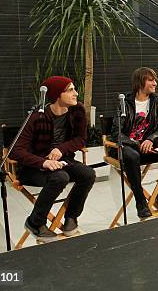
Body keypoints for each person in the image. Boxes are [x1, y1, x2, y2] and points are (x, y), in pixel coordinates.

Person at [11, 76, 96, 242]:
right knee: (60, 177)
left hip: (63, 160)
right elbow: (16, 150)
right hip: (32, 167)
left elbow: (80, 139)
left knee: (88, 174)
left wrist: (60, 148)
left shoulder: (77, 110)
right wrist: (44, 162)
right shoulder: (38, 116)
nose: (76, 93)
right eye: (70, 90)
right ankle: (35, 222)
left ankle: (71, 217)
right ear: (58, 94)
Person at [112, 67, 158, 218]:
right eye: (151, 80)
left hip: (150, 146)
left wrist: (150, 139)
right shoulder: (124, 102)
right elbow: (116, 133)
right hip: (130, 149)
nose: (155, 83)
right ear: (140, 82)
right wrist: (137, 144)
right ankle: (141, 201)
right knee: (132, 156)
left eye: (155, 80)